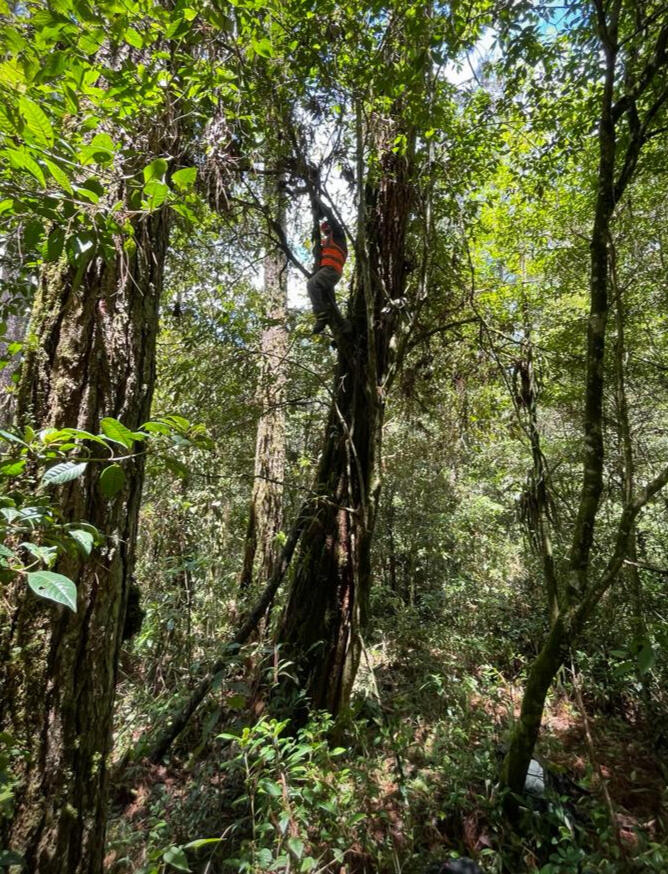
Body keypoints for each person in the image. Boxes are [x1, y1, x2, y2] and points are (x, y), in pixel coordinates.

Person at [306, 200, 351, 335]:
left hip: (331, 270)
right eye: (323, 229)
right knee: (331, 302)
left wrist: (317, 200)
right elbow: (319, 255)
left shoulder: (338, 235)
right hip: (329, 271)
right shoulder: (326, 242)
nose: (325, 231)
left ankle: (321, 316)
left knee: (312, 284)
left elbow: (330, 215)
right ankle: (344, 326)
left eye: (327, 227)